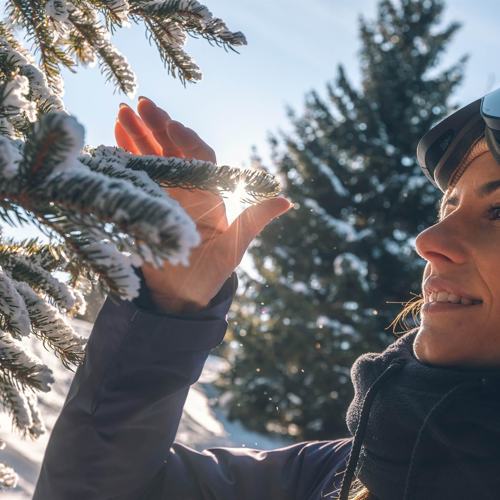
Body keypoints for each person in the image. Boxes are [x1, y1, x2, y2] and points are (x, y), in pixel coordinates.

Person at [32, 93, 500, 500]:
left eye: (497, 211)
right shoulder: (347, 471)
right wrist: (168, 308)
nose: (428, 240)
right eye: (447, 209)